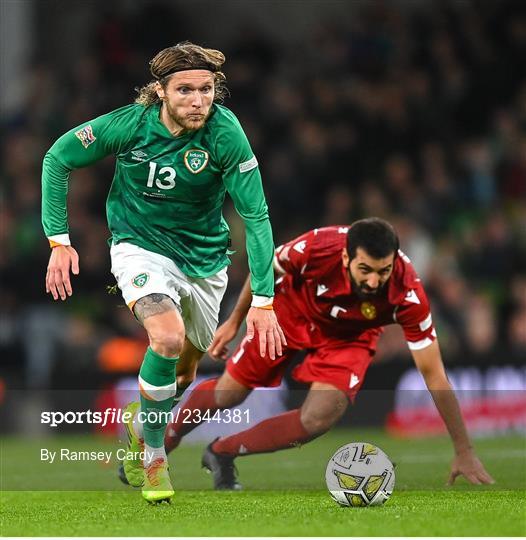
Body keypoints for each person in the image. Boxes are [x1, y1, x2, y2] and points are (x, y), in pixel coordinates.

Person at [41, 41, 286, 503]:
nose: (198, 101)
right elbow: (58, 158)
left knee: (183, 373)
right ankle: (155, 457)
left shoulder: (225, 133)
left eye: (207, 90)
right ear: (160, 91)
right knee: (167, 339)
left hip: (207, 260)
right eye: (185, 90)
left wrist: (265, 301)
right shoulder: (130, 125)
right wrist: (59, 241)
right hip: (140, 248)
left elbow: (256, 217)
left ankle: (139, 425)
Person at [151, 217, 493, 489]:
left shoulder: (407, 292)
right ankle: (163, 441)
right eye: (366, 270)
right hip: (289, 311)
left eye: (383, 271)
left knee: (318, 418)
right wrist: (234, 321)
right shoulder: (319, 246)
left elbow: (434, 373)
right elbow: (266, 266)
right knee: (229, 393)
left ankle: (221, 452)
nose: (375, 281)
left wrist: (464, 450)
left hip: (349, 337)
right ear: (346, 257)